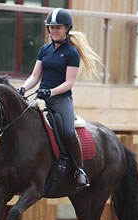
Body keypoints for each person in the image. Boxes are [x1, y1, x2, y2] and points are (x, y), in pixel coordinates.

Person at [18, 8, 101, 188]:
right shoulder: (44, 50)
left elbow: (69, 83)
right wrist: (23, 88)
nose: (54, 31)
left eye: (58, 27)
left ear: (66, 29)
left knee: (68, 132)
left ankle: (80, 170)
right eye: (51, 27)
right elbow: (34, 76)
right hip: (41, 97)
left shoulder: (71, 53)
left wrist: (50, 92)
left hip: (60, 99)